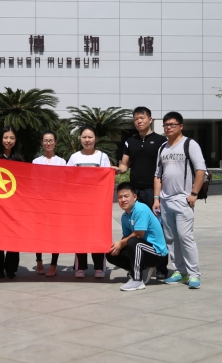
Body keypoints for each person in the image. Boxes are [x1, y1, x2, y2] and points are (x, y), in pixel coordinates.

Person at [112, 106, 170, 278]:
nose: (139, 121)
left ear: (150, 120)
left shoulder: (161, 141)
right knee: (137, 227)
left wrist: (158, 196)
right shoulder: (130, 141)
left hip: (153, 191)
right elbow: (125, 165)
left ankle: (161, 268)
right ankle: (139, 264)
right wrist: (117, 170)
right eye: (136, 119)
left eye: (142, 118)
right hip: (135, 192)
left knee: (158, 227)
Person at [153, 112, 206, 289]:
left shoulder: (190, 144)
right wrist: (156, 198)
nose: (168, 127)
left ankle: (194, 274)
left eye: (172, 124)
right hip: (165, 200)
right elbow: (157, 175)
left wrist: (194, 193)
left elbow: (200, 170)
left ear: (181, 126)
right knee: (171, 238)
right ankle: (179, 270)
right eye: (166, 125)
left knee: (185, 237)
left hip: (183, 200)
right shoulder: (163, 148)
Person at [67, 126, 111, 278]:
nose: (87, 140)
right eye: (84, 137)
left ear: (96, 139)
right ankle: (80, 267)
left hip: (97, 204)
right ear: (80, 138)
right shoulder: (74, 157)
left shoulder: (102, 157)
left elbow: (107, 179)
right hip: (79, 204)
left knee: (97, 234)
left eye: (90, 137)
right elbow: (67, 177)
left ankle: (99, 267)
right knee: (80, 235)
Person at [107, 182, 168, 291]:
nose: (123, 200)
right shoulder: (125, 216)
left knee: (133, 241)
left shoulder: (141, 209)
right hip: (142, 249)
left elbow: (139, 234)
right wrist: (118, 246)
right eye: (120, 197)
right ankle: (142, 268)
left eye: (126, 196)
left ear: (134, 197)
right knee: (111, 253)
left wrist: (121, 243)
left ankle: (137, 280)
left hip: (157, 253)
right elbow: (126, 236)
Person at [0, 126, 24, 279]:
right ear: (0, 139)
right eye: (5, 137)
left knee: (13, 237)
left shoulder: (20, 160)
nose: (8, 141)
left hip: (14, 207)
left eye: (12, 138)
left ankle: (11, 268)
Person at [32, 130, 66, 277]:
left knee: (55, 234)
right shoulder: (36, 162)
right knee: (38, 233)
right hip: (40, 203)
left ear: (55, 143)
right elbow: (34, 182)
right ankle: (39, 261)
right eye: (45, 140)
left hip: (56, 203)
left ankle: (53, 264)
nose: (48, 143)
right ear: (42, 143)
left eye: (51, 140)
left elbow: (64, 182)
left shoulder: (62, 162)